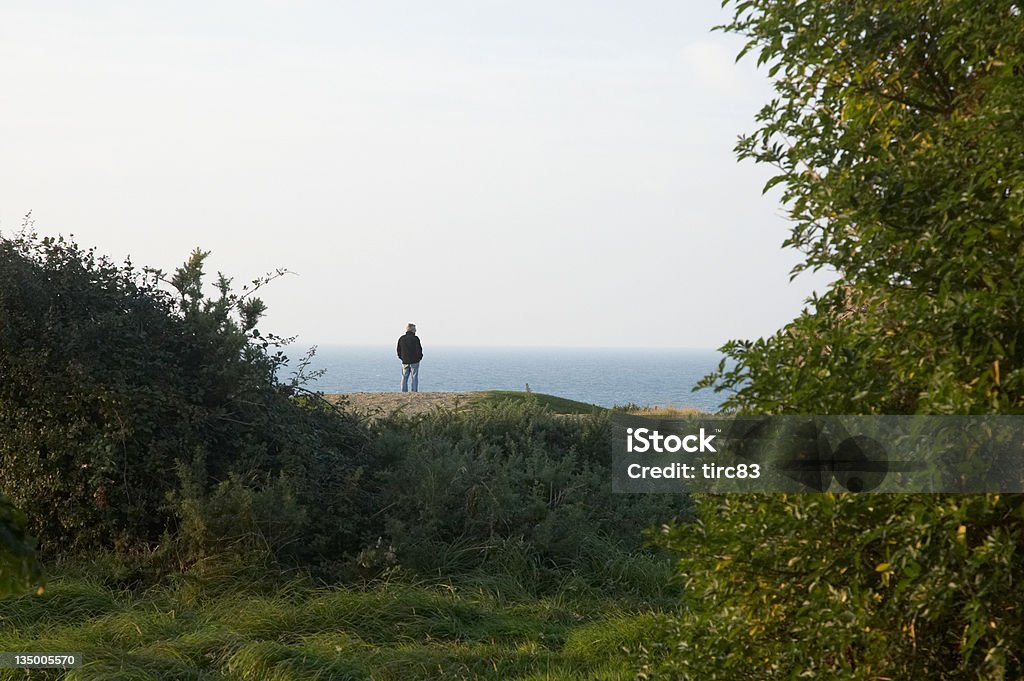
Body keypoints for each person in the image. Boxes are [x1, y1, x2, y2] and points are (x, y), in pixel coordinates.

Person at [396, 323, 423, 392]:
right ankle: (414, 391)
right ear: (412, 329)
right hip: (414, 361)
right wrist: (419, 357)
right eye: (415, 329)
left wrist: (401, 357)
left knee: (404, 377)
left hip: (405, 361)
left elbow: (398, 350)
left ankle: (403, 391)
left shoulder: (401, 338)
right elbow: (419, 350)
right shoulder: (415, 339)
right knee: (414, 377)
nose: (416, 330)